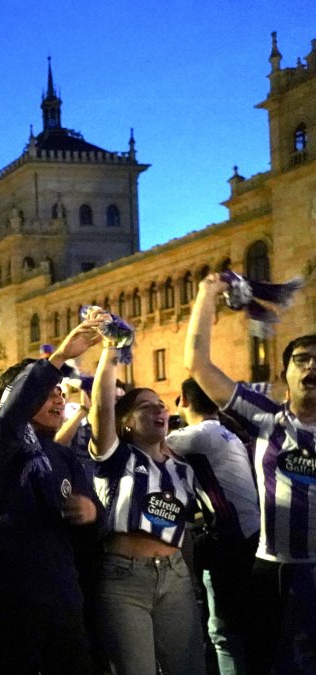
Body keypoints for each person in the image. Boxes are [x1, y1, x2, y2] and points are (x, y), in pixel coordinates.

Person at [185, 272, 316, 673]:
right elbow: (197, 365)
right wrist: (207, 294)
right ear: (285, 377)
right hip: (271, 572)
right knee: (265, 664)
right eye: (301, 360)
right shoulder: (266, 418)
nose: (312, 366)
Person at [0, 318, 104, 674]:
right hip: (9, 598)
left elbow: (96, 516)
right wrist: (58, 357)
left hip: (62, 595)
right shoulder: (0, 443)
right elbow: (11, 414)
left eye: (60, 391)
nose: (59, 396)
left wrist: (91, 512)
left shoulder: (63, 455)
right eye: (48, 391)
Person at [89, 332, 205, 675]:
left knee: (188, 668)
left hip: (176, 579)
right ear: (125, 422)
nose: (159, 409)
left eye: (162, 405)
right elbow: (102, 406)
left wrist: (191, 578)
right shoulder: (116, 457)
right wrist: (111, 352)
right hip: (124, 580)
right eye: (146, 406)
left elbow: (184, 531)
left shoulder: (182, 468)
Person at [167, 377, 259, 675]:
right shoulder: (224, 433)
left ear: (183, 399)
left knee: (225, 634)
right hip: (248, 537)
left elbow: (146, 446)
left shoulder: (197, 435)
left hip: (232, 542)